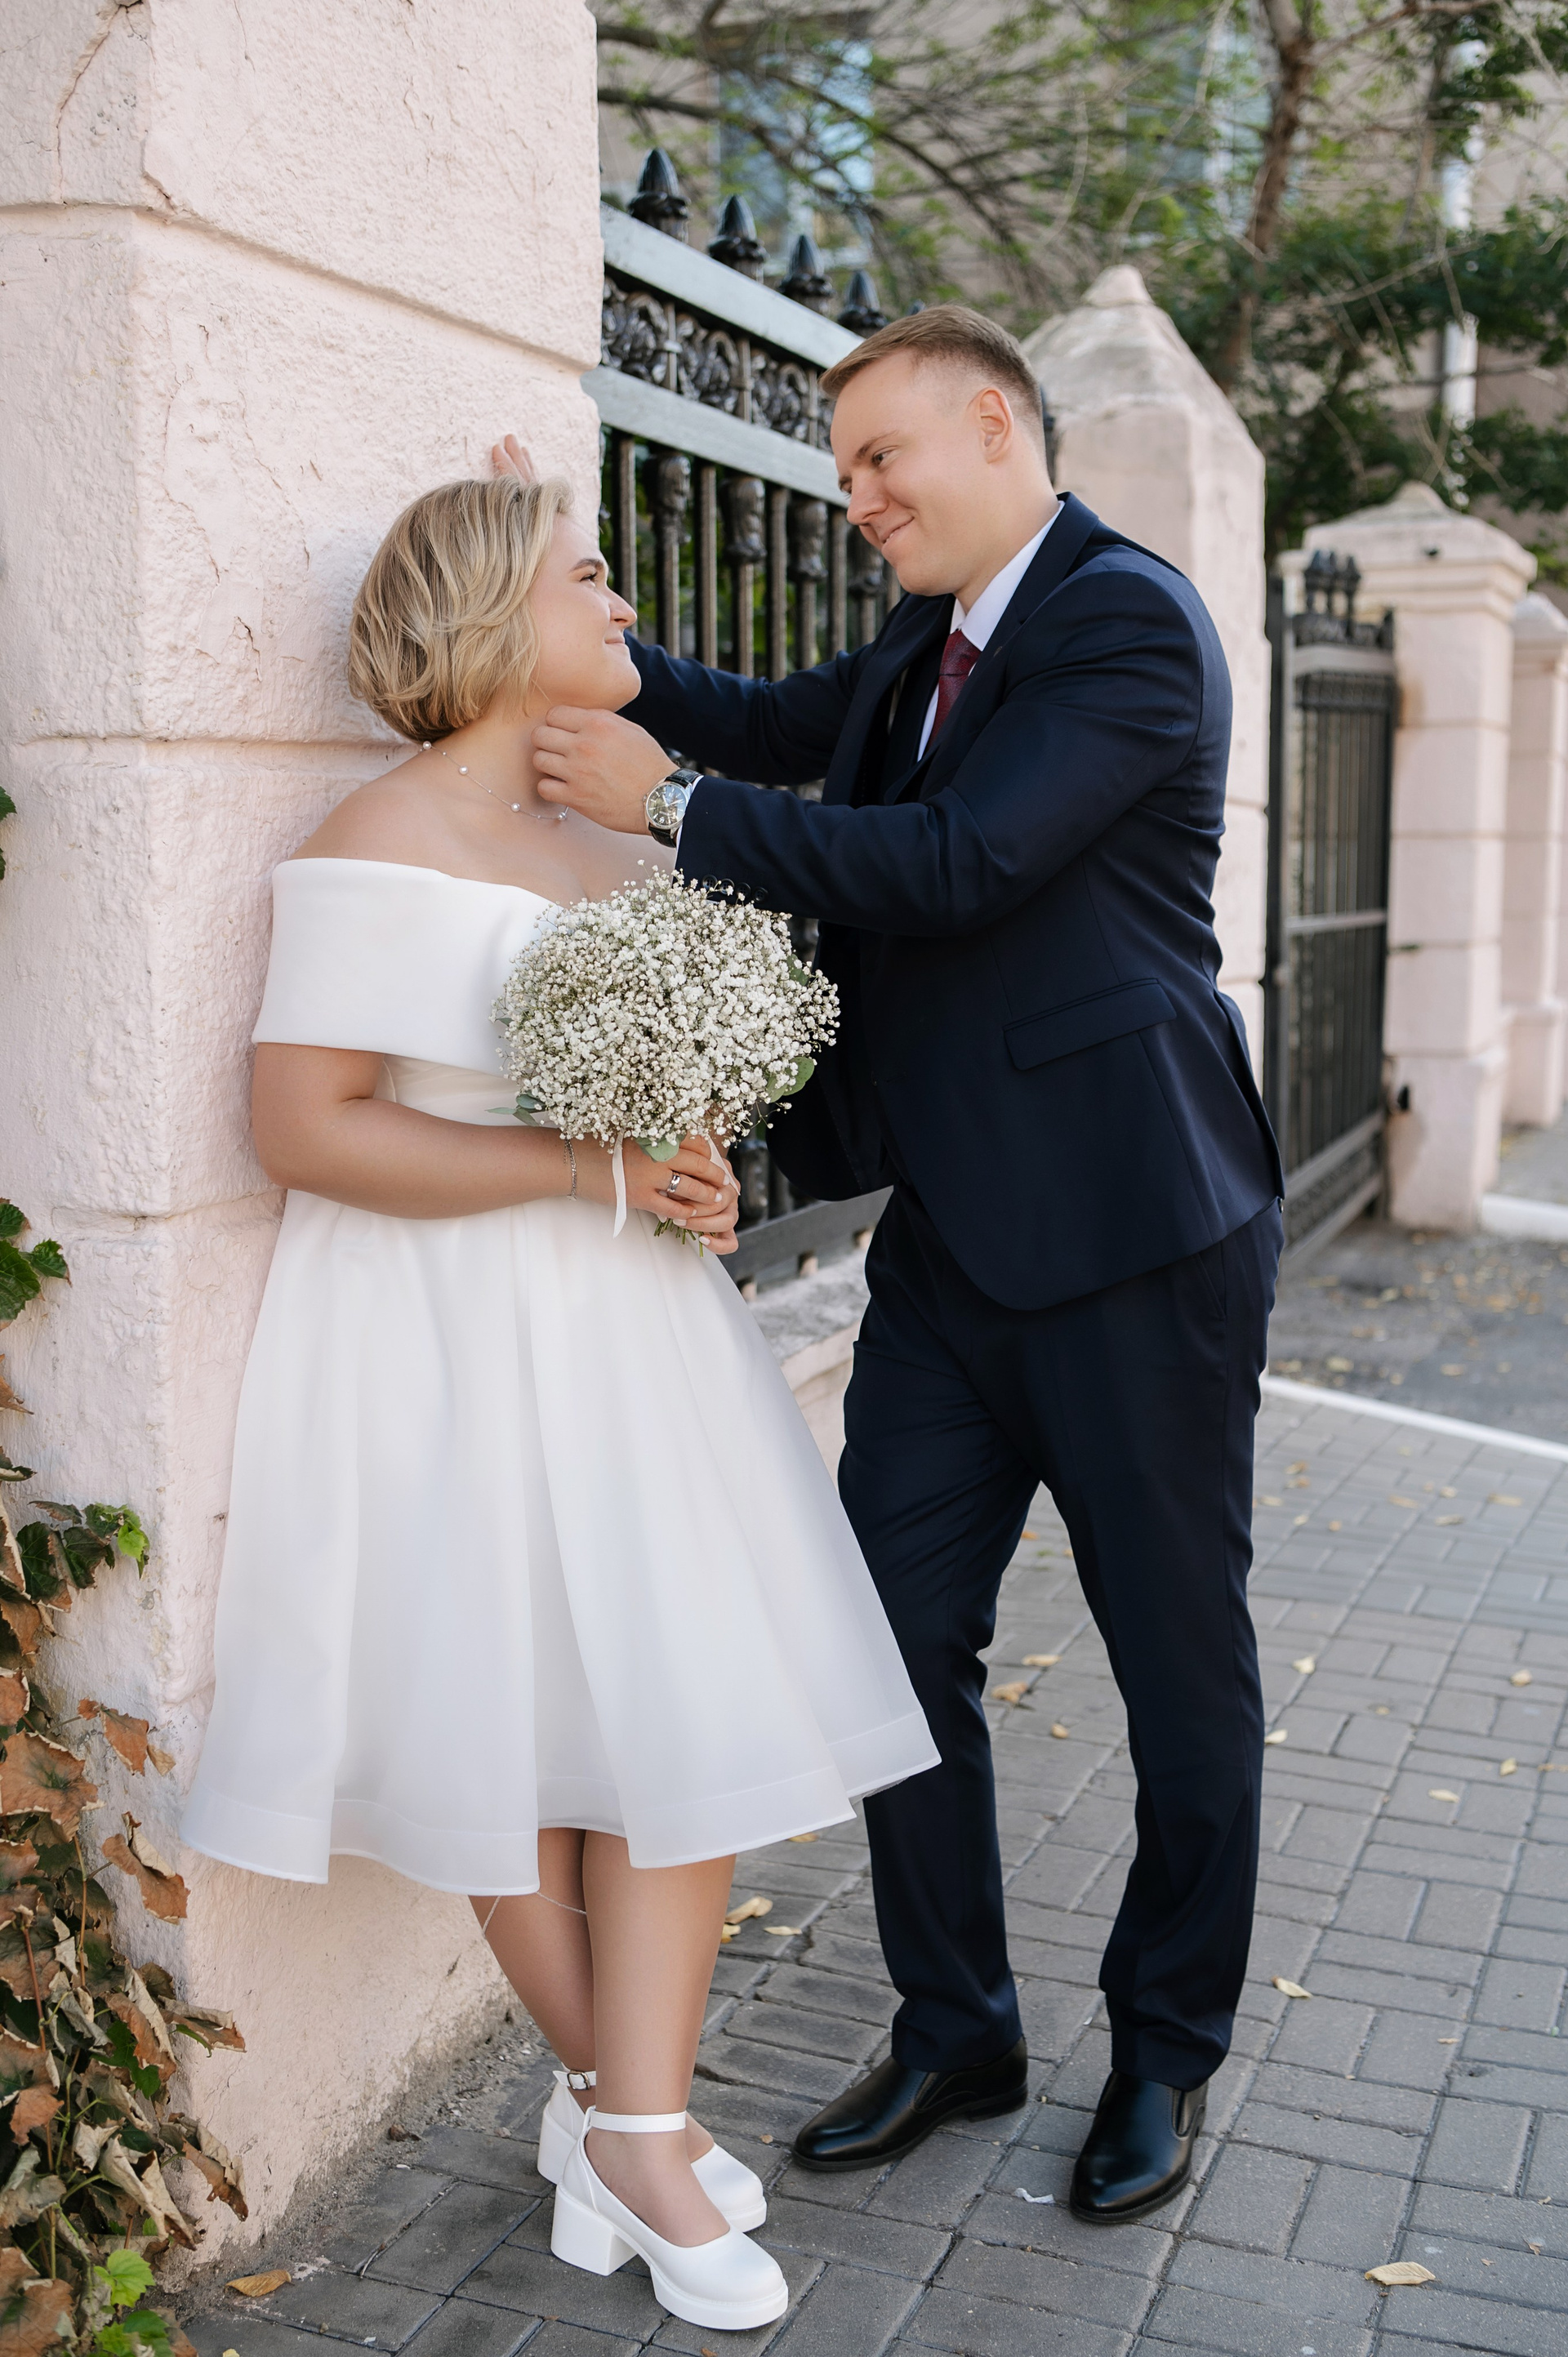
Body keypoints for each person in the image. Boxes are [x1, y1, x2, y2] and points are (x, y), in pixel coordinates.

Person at [502, 301, 1285, 2227]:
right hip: (948, 1248)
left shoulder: (1124, 624)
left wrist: (662, 810)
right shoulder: (931, 646)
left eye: (882, 458)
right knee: (887, 1641)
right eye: (844, 468)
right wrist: (563, 600)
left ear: (998, 429)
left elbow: (959, 862)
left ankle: (1165, 2049)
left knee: (1177, 1667)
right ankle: (958, 2026)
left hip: (1137, 1239)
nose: (857, 495)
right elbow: (778, 728)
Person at [181, 472, 938, 2332]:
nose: (623, 606)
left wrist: (692, 1169)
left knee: (679, 1706)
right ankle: (637, 2133)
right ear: (490, 616)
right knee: (507, 1731)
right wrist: (580, 1172)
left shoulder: (618, 841)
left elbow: (655, 1094)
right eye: (588, 576)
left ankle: (625, 2123)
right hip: (446, 1332)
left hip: (635, 1329)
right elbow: (304, 1127)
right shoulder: (378, 836)